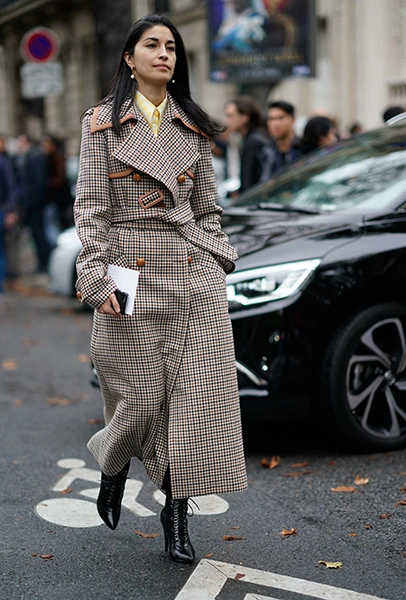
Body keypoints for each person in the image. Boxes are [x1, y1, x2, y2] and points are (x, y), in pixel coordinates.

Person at [73, 14, 247, 564]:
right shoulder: (102, 123)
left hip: (193, 277)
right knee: (140, 397)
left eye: (171, 46)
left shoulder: (194, 125)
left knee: (192, 406)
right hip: (131, 270)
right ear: (130, 58)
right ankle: (113, 463)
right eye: (152, 45)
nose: (164, 54)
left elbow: (208, 208)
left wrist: (215, 254)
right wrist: (95, 275)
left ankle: (176, 515)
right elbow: (91, 208)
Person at [15, 134, 50, 273]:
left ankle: (45, 263)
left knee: (39, 233)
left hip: (35, 204)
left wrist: (30, 201)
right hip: (32, 203)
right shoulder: (27, 157)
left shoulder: (34, 157)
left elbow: (37, 182)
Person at [223, 95, 267, 193]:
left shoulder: (253, 142)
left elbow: (249, 184)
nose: (226, 121)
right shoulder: (249, 139)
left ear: (244, 117)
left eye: (230, 116)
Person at [41, 134, 74, 245]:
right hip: (54, 198)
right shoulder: (45, 158)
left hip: (60, 198)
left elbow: (60, 178)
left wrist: (47, 183)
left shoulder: (57, 158)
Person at [259, 100, 302, 181]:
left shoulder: (303, 148)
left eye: (281, 118)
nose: (275, 124)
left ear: (292, 120)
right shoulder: (266, 151)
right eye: (271, 119)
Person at [0, 135, 19, 287]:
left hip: (2, 209)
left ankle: (2, 279)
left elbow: (11, 186)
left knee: (2, 247)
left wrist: (11, 210)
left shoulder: (4, 162)